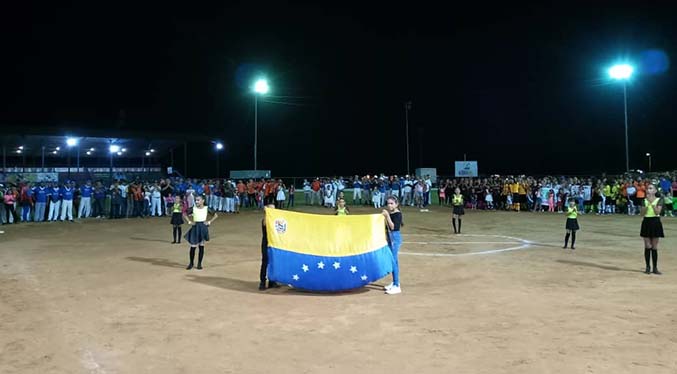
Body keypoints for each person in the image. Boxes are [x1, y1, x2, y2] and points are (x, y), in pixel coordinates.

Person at [183, 195, 218, 270]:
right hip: (195, 227)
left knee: (201, 245)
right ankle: (191, 263)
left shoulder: (206, 208)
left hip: (203, 227)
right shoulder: (193, 208)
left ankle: (199, 263)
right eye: (196, 200)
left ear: (203, 201)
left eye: (198, 200)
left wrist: (209, 222)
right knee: (193, 246)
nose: (196, 201)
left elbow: (215, 215)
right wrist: (189, 222)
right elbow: (184, 213)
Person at [640, 183, 664, 275]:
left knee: (654, 246)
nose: (648, 190)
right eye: (648, 188)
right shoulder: (644, 200)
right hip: (646, 222)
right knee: (647, 246)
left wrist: (651, 203)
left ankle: (655, 267)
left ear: (655, 191)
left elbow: (657, 212)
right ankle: (647, 267)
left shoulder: (659, 200)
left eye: (650, 188)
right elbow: (642, 214)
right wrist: (646, 204)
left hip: (655, 222)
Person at [383, 196, 403, 295]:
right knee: (394, 261)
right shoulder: (392, 214)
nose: (389, 205)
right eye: (388, 203)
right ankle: (395, 282)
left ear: (396, 204)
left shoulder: (397, 214)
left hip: (394, 239)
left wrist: (387, 216)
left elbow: (393, 227)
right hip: (390, 239)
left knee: (393, 261)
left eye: (391, 203)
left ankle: (396, 285)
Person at [259, 204, 280, 290]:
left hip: (273, 244)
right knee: (265, 263)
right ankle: (262, 282)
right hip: (266, 244)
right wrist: (267, 212)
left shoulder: (275, 220)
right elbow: (265, 223)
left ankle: (272, 281)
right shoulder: (265, 220)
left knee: (273, 263)